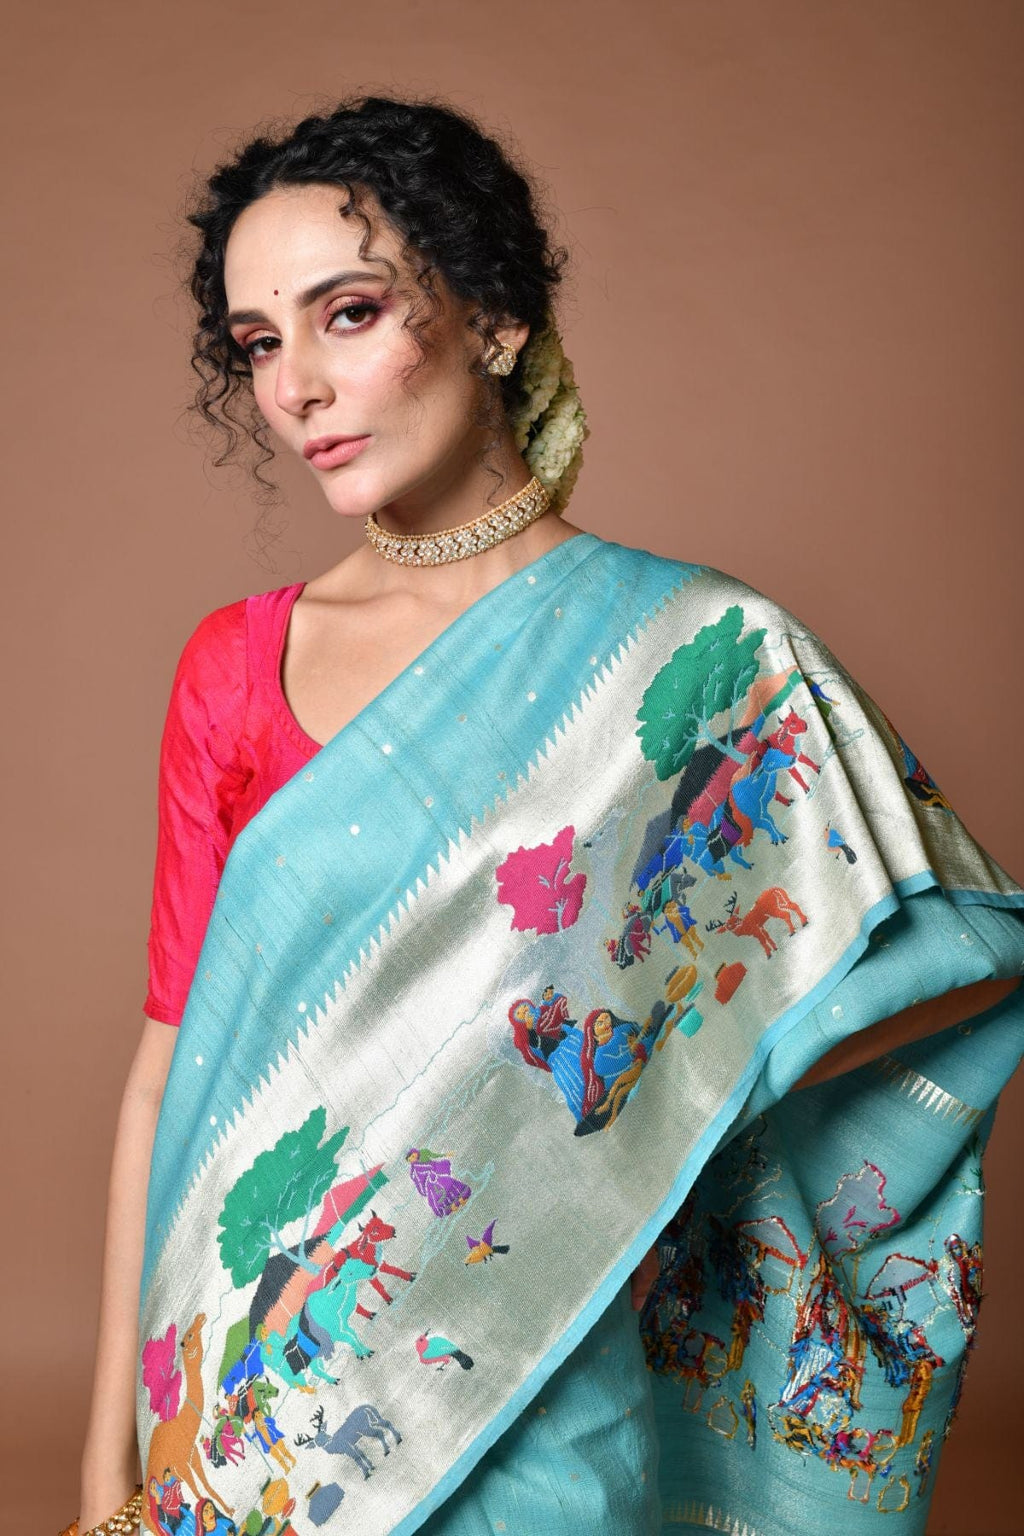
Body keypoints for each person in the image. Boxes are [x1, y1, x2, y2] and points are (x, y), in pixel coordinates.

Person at [69, 95, 1024, 1536]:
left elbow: (936, 955)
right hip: (260, 1409)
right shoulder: (237, 668)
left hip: (543, 1372)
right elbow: (165, 1077)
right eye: (260, 343)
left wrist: (654, 1111)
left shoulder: (702, 654)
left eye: (347, 315)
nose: (296, 388)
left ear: (497, 320)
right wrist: (110, 1448)